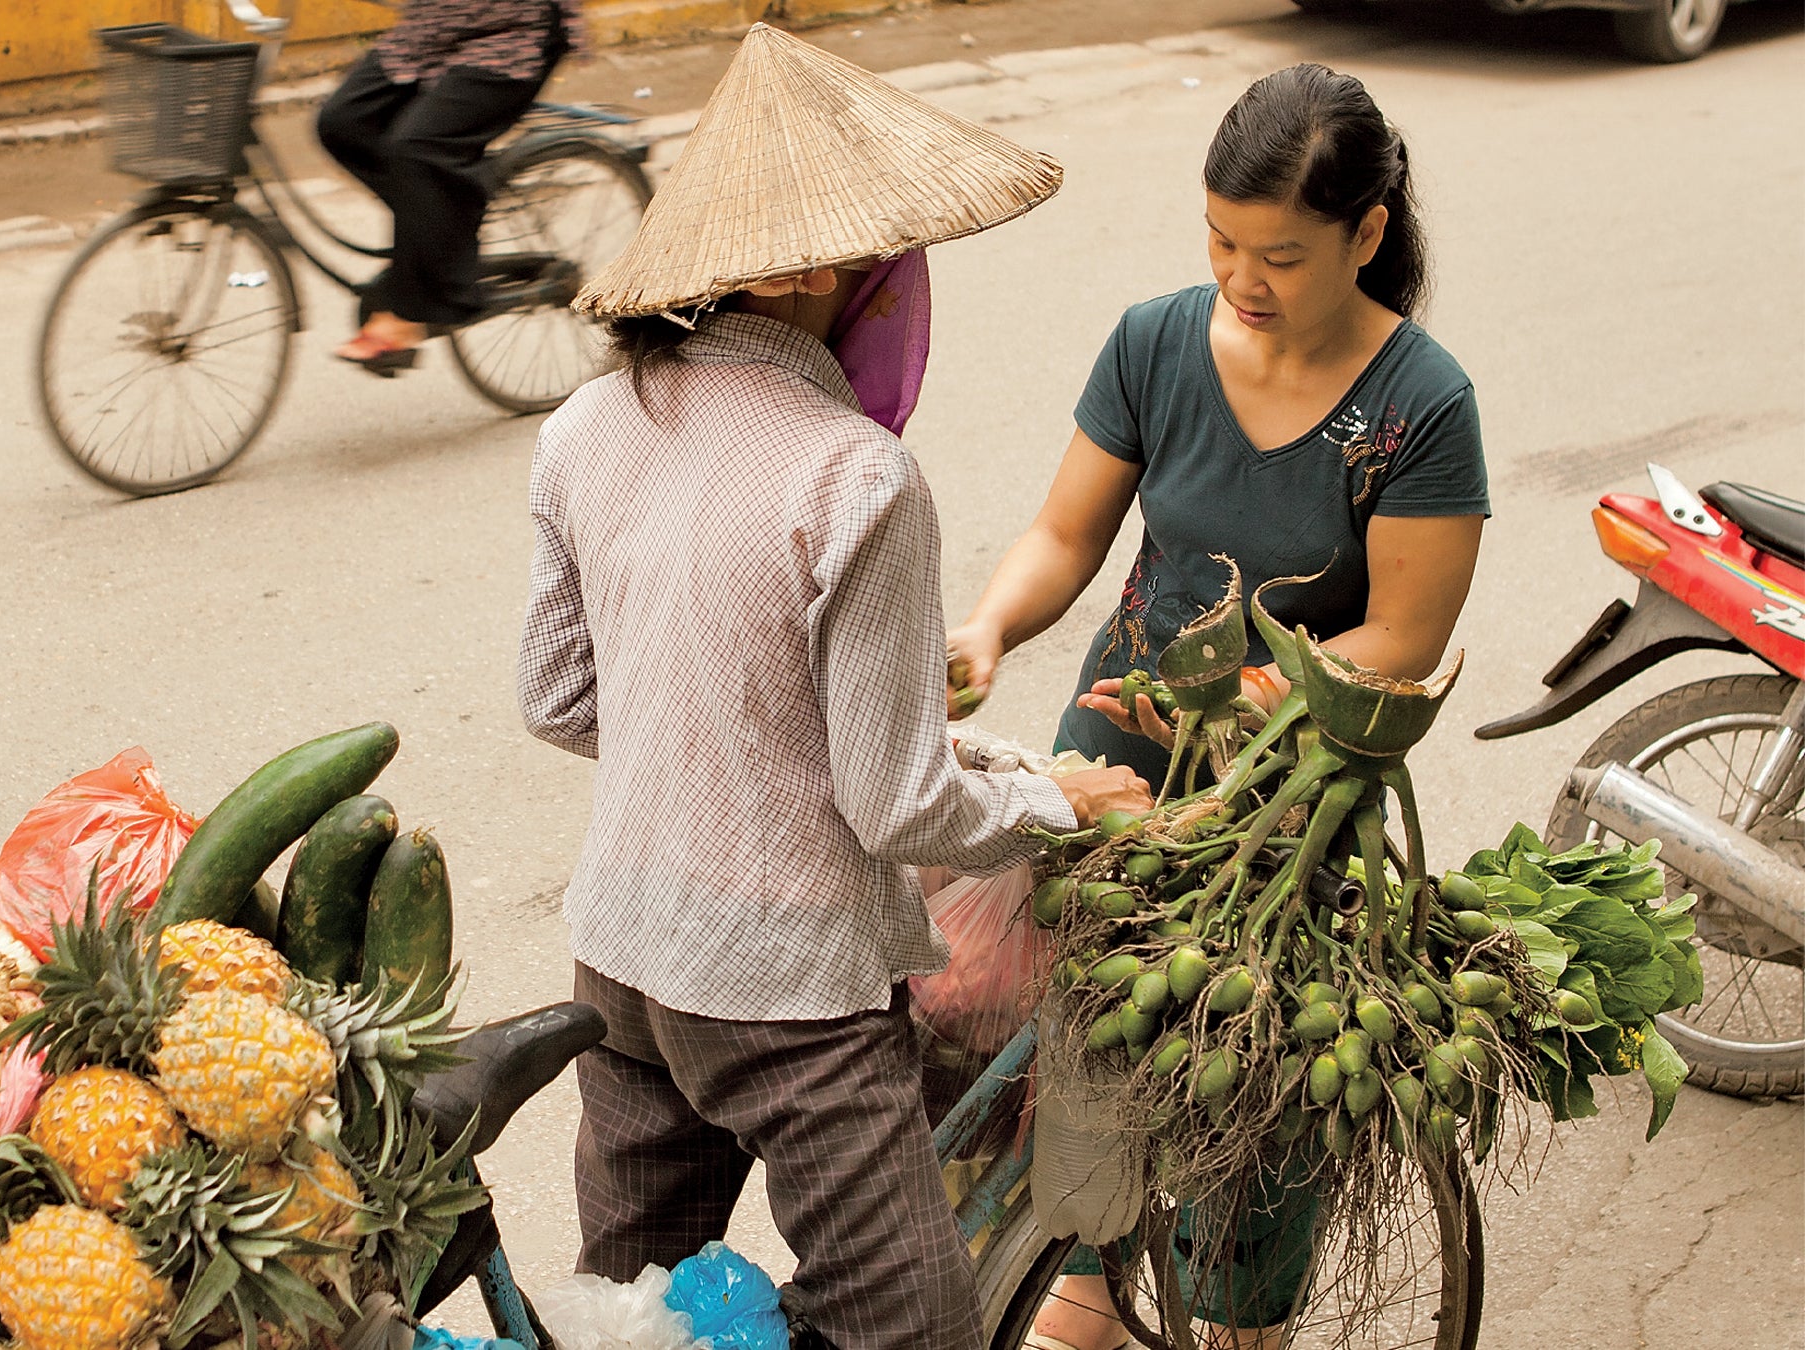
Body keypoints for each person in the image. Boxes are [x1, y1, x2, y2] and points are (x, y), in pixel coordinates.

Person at [515, 25, 1151, 1350]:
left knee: (629, 1316)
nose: (901, 284)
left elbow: (562, 701)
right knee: (909, 1318)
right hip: (784, 993)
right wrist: (1057, 803)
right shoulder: (853, 476)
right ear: (813, 267)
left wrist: (715, 757)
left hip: (625, 958)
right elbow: (893, 798)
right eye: (887, 257)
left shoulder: (585, 425)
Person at [944, 64, 1490, 1350]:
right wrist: (992, 623)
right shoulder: (1156, 340)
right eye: (1222, 241)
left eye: (1283, 255)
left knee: (1249, 1084)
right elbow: (1067, 530)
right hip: (1115, 762)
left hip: (1285, 808)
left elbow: (1403, 638)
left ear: (1366, 234)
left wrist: (1234, 695)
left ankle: (1240, 1324)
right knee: (1083, 1067)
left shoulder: (1420, 407)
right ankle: (1076, 1287)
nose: (1243, 279)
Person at [315, 0, 577, 375]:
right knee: (342, 123)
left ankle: (409, 311)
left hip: (511, 32)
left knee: (416, 149)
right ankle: (437, 225)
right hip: (432, 28)